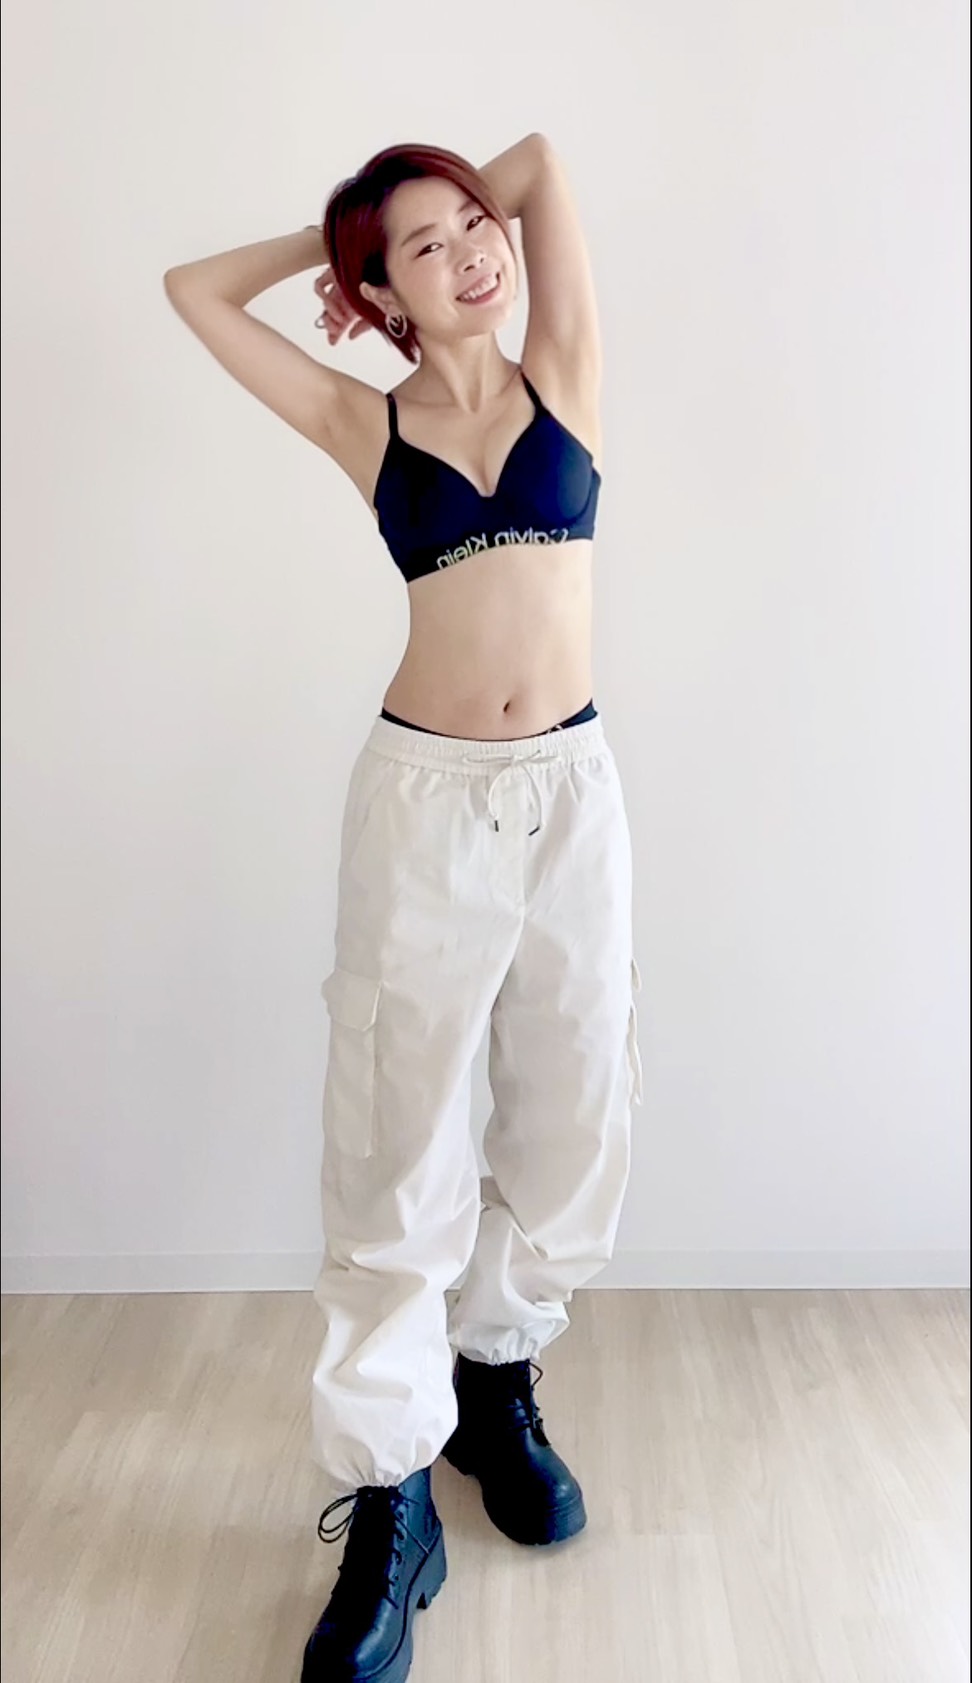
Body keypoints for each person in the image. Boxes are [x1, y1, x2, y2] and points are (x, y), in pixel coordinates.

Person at [163, 131, 644, 1683]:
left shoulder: (564, 373)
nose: (472, 253)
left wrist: (436, 209)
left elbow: (543, 162)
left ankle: (493, 1383)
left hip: (570, 799)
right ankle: (391, 1496)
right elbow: (192, 290)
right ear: (379, 294)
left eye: (473, 227)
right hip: (423, 809)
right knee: (397, 1142)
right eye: (425, 248)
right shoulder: (363, 421)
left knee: (575, 1111)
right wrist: (340, 249)